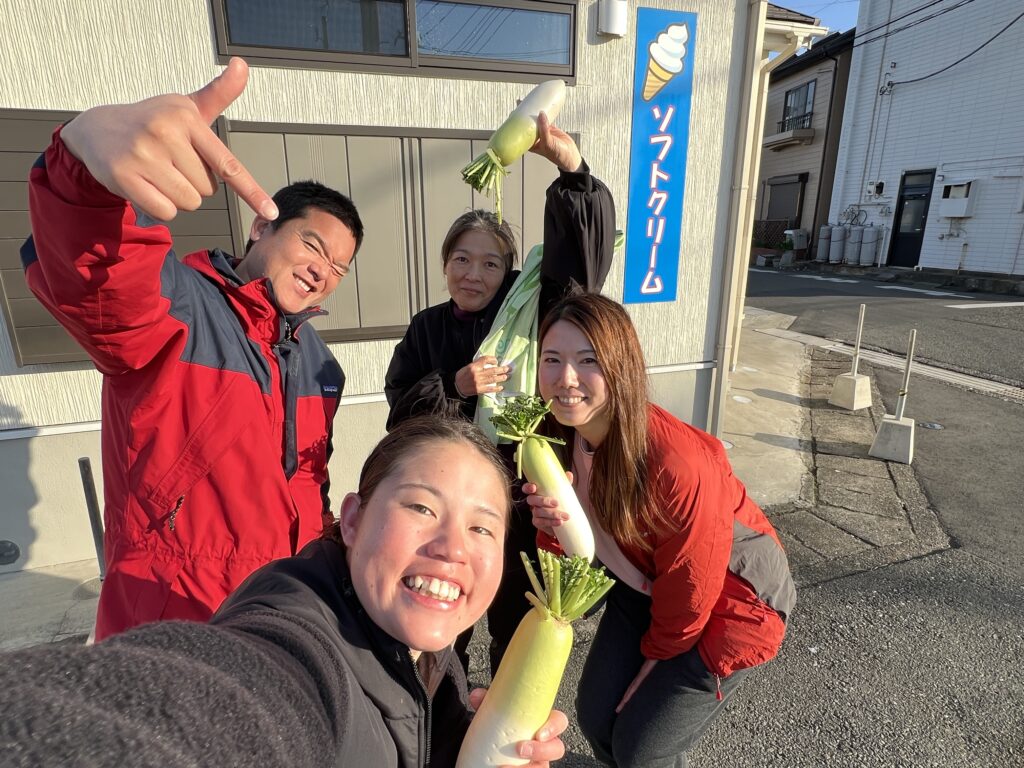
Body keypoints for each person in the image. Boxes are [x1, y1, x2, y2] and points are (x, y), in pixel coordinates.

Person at [0, 416, 568, 768]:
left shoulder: (424, 650)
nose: (452, 548)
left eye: (482, 528)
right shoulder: (300, 640)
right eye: (421, 507)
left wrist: (468, 743)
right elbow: (230, 697)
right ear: (352, 519)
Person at [22, 58, 363, 640]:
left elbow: (308, 483)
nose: (322, 271)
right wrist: (85, 173)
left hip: (285, 608)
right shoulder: (179, 304)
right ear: (261, 228)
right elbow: (97, 273)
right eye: (312, 244)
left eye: (339, 266)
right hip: (173, 611)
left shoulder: (319, 362)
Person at [384, 115, 616, 677]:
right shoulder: (427, 327)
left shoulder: (530, 313)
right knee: (445, 620)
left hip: (524, 499)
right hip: (454, 501)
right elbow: (399, 412)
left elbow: (578, 265)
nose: (473, 274)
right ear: (445, 264)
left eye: (490, 263)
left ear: (509, 272)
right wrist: (455, 386)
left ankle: (506, 709)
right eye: (461, 259)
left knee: (518, 621)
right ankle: (440, 708)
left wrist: (572, 171)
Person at [526, 293, 797, 767]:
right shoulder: (556, 434)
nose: (565, 378)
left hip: (733, 600)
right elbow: (575, 555)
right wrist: (550, 526)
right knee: (596, 717)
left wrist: (656, 657)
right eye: (552, 359)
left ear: (622, 368)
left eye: (588, 360)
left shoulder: (676, 463)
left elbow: (695, 580)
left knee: (643, 749)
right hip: (644, 583)